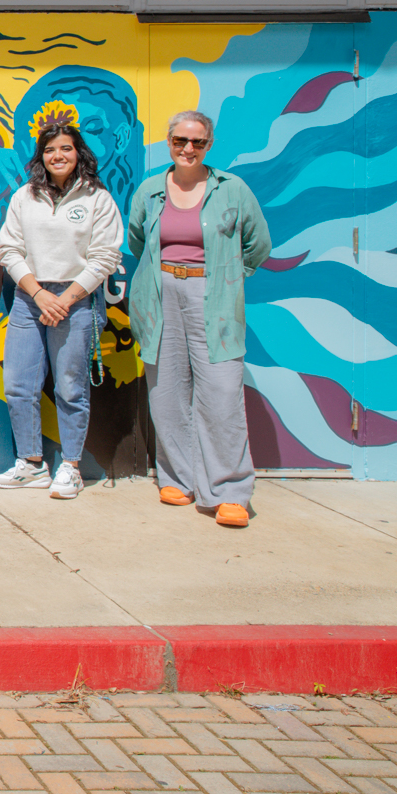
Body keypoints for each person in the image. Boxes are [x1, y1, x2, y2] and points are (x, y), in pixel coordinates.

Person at [126, 110, 271, 528]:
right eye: (180, 141)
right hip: (161, 293)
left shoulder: (232, 189)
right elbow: (138, 240)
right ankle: (179, 479)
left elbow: (257, 243)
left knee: (222, 393)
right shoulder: (151, 190)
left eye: (198, 142)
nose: (188, 149)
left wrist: (226, 276)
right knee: (167, 389)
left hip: (215, 297)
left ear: (209, 145)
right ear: (169, 142)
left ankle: (229, 491)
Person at [0, 122, 124, 500]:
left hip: (77, 301)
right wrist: (38, 294)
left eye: (65, 149)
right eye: (50, 150)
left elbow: (105, 257)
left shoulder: (97, 199)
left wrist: (64, 299)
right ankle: (31, 465)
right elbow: (9, 250)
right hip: (29, 299)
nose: (58, 156)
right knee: (19, 385)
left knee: (70, 387)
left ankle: (71, 467)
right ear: (41, 157)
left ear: (78, 153)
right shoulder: (24, 197)